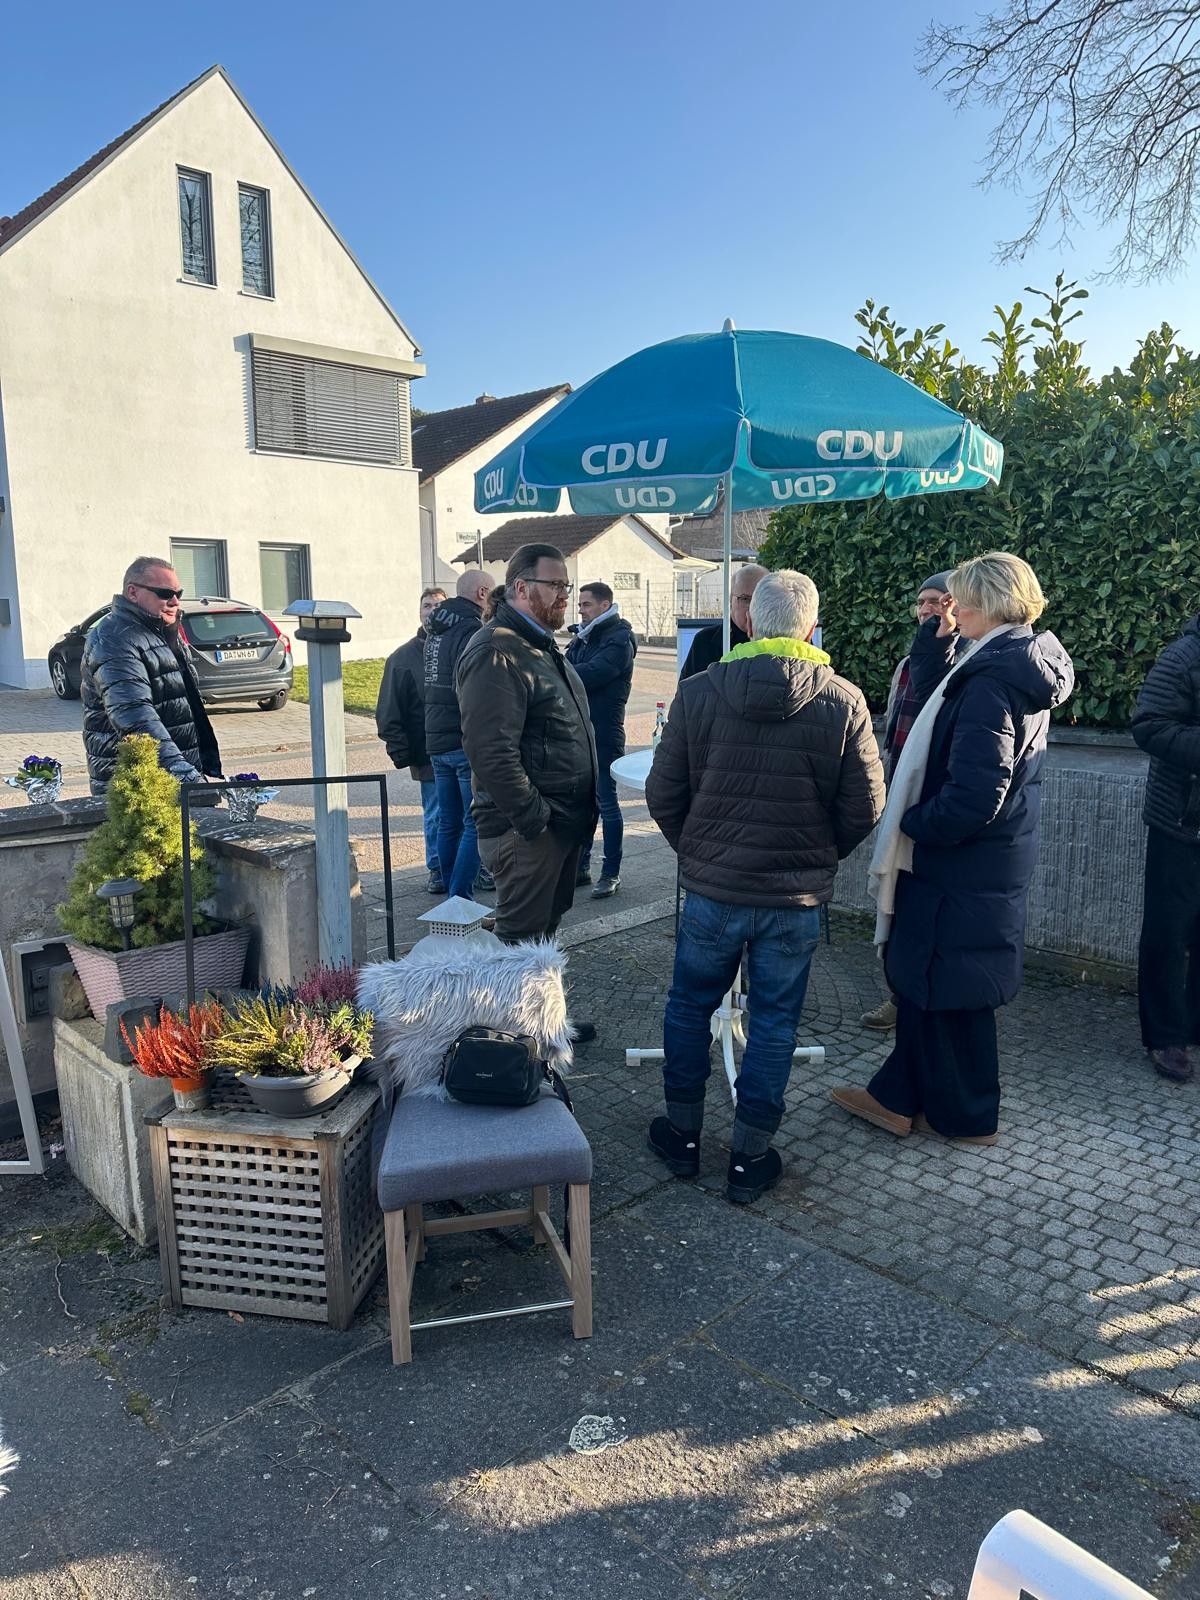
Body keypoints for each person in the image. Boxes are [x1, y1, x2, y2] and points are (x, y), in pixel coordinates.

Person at [644, 571, 885, 1203]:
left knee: (688, 1007)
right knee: (776, 1021)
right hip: (792, 900)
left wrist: (699, 852)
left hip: (713, 893)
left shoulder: (698, 692)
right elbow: (866, 805)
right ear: (812, 628)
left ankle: (683, 1137)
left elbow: (663, 792)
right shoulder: (844, 700)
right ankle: (750, 1158)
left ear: (749, 622)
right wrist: (817, 857)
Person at [831, 552, 1074, 1147]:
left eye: (960, 600)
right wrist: (932, 638)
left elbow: (974, 795)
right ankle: (898, 1096)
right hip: (981, 858)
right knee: (934, 980)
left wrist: (912, 821)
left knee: (949, 985)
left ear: (987, 603)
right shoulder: (1008, 658)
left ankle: (965, 1116)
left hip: (961, 858)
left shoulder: (991, 681)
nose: (952, 608)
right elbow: (933, 690)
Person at [458, 542, 598, 961]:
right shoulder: (496, 650)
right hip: (527, 831)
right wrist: (536, 820)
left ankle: (540, 1005)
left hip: (558, 823)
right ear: (520, 587)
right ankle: (509, 1009)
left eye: (566, 586)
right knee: (517, 949)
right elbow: (491, 754)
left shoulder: (539, 645)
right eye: (555, 585)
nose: (564, 595)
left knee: (540, 943)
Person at [861, 571, 968, 1033]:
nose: (927, 610)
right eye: (921, 603)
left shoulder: (966, 661)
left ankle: (918, 998)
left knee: (928, 907)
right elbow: (893, 728)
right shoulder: (909, 662)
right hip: (902, 790)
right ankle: (898, 994)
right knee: (898, 899)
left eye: (937, 601)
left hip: (936, 800)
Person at [82, 555, 222, 796]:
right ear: (133, 592)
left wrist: (196, 768)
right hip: (137, 785)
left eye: (178, 593)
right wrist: (183, 773)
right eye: (164, 593)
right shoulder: (115, 639)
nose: (175, 601)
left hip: (171, 777)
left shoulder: (162, 632)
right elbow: (135, 716)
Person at [1131, 614, 1200, 1082]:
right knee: (1168, 932)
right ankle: (1165, 1036)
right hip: (1182, 821)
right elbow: (1149, 726)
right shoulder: (1184, 657)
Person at [424, 569, 493, 900]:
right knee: (473, 823)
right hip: (462, 738)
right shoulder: (472, 630)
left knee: (448, 821)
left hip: (436, 736)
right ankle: (460, 898)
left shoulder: (435, 630)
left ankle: (449, 895)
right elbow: (472, 688)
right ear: (482, 593)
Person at [566, 581, 637, 898]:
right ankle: (581, 867)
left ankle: (610, 873)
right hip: (579, 732)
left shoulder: (619, 638)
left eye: (586, 604)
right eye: (580, 604)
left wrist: (562, 670)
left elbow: (589, 674)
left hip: (605, 733)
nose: (580, 610)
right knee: (583, 804)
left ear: (604, 606)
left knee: (607, 803)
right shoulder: (585, 636)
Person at [376, 587, 445, 894]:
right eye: (427, 605)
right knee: (436, 813)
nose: (432, 611)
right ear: (419, 612)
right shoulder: (402, 658)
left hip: (466, 749)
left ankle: (473, 867)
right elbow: (388, 711)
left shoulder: (461, 647)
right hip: (427, 752)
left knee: (471, 813)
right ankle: (437, 868)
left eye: (439, 605)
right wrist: (403, 752)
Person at [679, 565, 768, 679]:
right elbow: (687, 688)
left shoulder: (780, 641)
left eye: (760, 599)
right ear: (730, 600)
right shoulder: (706, 641)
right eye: (745, 599)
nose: (753, 607)